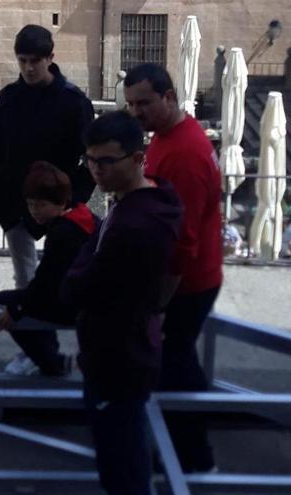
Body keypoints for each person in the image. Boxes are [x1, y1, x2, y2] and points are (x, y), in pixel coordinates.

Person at [61, 111, 182, 495]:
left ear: (137, 158)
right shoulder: (148, 200)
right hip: (128, 347)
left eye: (106, 161)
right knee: (126, 448)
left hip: (117, 355)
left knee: (120, 464)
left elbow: (81, 286)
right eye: (90, 160)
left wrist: (83, 262)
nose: (96, 170)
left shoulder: (135, 223)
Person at [124, 63, 224, 473]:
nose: (136, 113)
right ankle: (183, 452)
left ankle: (192, 459)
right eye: (130, 105)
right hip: (194, 277)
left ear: (169, 97)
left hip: (187, 284)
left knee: (175, 365)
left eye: (143, 103)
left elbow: (181, 245)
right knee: (176, 363)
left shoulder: (183, 153)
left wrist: (159, 303)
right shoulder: (169, 137)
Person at [0, 24, 94, 375]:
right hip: (17, 204)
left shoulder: (74, 102)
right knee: (25, 281)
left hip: (63, 207)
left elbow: (89, 159)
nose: (29, 67)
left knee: (60, 280)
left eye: (35, 60)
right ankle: (40, 352)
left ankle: (52, 353)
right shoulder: (9, 98)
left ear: (51, 58)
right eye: (23, 60)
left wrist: (70, 200)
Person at [0, 161, 97, 376]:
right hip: (85, 296)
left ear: (60, 203)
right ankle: (50, 359)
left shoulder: (63, 234)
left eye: (40, 205)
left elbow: (45, 282)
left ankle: (51, 363)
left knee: (3, 302)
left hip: (77, 303)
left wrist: (16, 308)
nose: (34, 212)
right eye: (30, 205)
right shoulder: (81, 216)